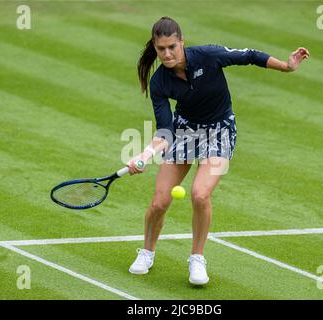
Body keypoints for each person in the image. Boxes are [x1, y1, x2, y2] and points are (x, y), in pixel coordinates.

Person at [127, 16, 309, 285]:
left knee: (200, 194)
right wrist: (144, 155)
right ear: (155, 48)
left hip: (220, 130)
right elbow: (165, 128)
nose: (167, 54)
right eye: (161, 49)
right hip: (185, 130)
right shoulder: (159, 82)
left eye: (172, 47)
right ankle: (147, 252)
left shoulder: (208, 56)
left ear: (182, 43)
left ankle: (197, 259)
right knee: (159, 202)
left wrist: (286, 66)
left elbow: (249, 55)